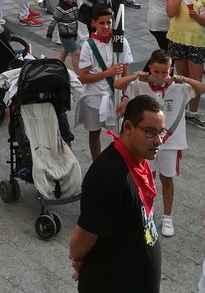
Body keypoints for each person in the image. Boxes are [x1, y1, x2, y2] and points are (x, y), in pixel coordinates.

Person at [69, 94, 164, 293]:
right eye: (150, 132)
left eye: (160, 132)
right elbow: (81, 239)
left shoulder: (139, 160)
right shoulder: (108, 174)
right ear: (128, 127)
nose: (158, 141)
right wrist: (82, 262)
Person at [114, 50, 205, 239]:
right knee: (147, 178)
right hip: (146, 143)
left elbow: (202, 89)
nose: (160, 77)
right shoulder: (140, 85)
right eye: (156, 72)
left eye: (164, 72)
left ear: (170, 70)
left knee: (167, 179)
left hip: (170, 142)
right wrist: (135, 75)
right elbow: (118, 84)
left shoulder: (179, 88)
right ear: (150, 69)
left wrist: (185, 79)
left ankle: (168, 217)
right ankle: (147, 213)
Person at [76, 5, 133, 158]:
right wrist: (108, 73)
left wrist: (125, 97)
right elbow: (82, 77)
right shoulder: (88, 46)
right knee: (94, 134)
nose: (106, 27)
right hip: (94, 97)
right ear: (93, 23)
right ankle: (97, 163)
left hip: (116, 97)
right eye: (102, 23)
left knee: (121, 134)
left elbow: (127, 71)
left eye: (109, 22)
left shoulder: (121, 41)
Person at [165, 0, 205, 129]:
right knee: (181, 77)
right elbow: (170, 13)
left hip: (196, 40)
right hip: (177, 37)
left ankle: (193, 112)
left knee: (195, 79)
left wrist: (198, 18)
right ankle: (183, 109)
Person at [52, 0, 80, 64]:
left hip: (73, 34)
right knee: (75, 54)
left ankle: (58, 67)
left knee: (64, 51)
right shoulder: (60, 8)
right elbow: (53, 21)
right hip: (66, 35)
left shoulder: (74, 4)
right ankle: (79, 74)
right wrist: (49, 34)